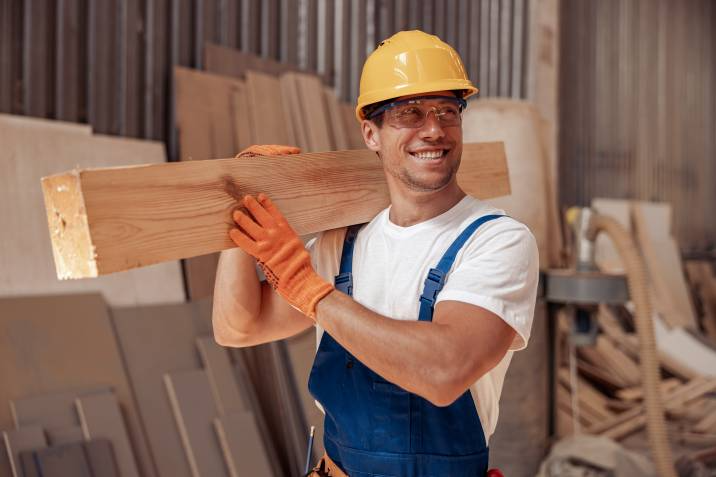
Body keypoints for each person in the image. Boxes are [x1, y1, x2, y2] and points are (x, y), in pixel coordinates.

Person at [212, 30, 539, 477]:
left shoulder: (496, 240)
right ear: (371, 133)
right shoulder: (345, 242)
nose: (434, 130)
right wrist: (243, 211)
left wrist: (313, 292)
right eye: (410, 113)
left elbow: (444, 370)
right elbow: (238, 328)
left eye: (448, 111)